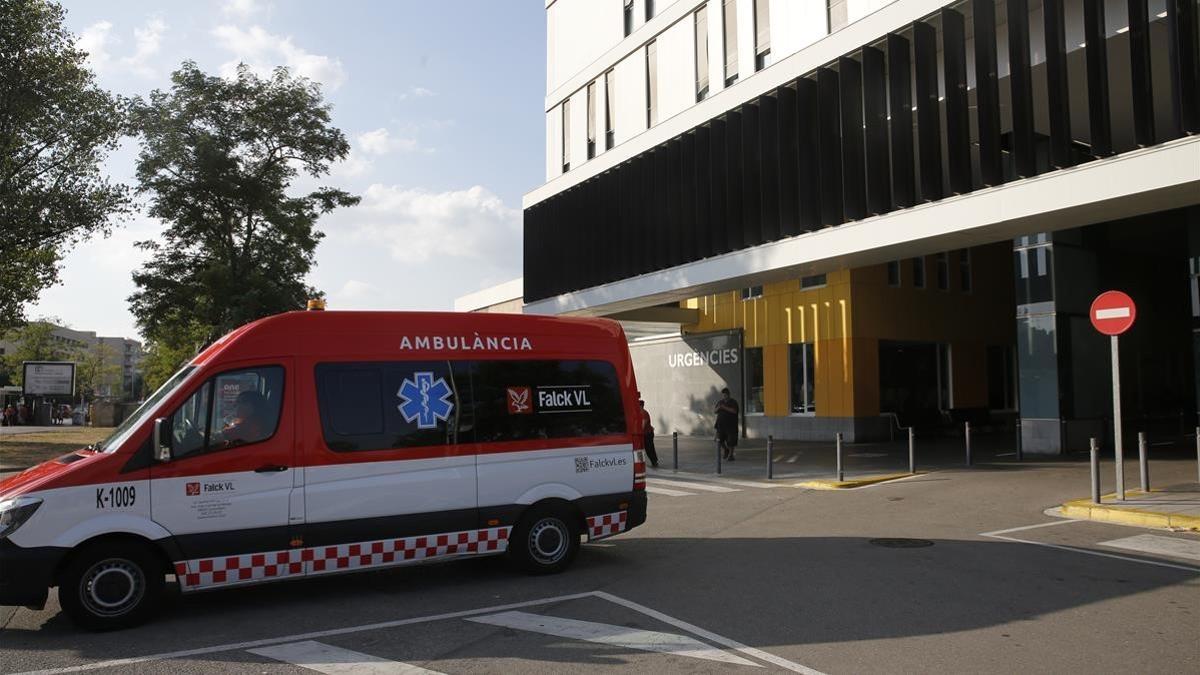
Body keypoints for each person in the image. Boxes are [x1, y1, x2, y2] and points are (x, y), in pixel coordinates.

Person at [714, 387, 739, 461]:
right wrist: (718, 408)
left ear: (729, 394)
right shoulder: (720, 402)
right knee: (719, 440)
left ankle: (731, 455)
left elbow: (734, 411)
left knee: (731, 441)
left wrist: (724, 407)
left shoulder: (733, 402)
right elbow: (715, 411)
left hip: (731, 425)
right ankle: (726, 450)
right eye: (723, 395)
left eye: (726, 395)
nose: (724, 396)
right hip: (720, 425)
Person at [638, 399, 659, 468]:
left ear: (640, 406)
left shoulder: (644, 413)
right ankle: (654, 461)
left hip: (648, 434)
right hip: (645, 434)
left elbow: (643, 425)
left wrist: (638, 431)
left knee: (649, 449)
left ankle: (654, 462)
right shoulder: (639, 413)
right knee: (648, 449)